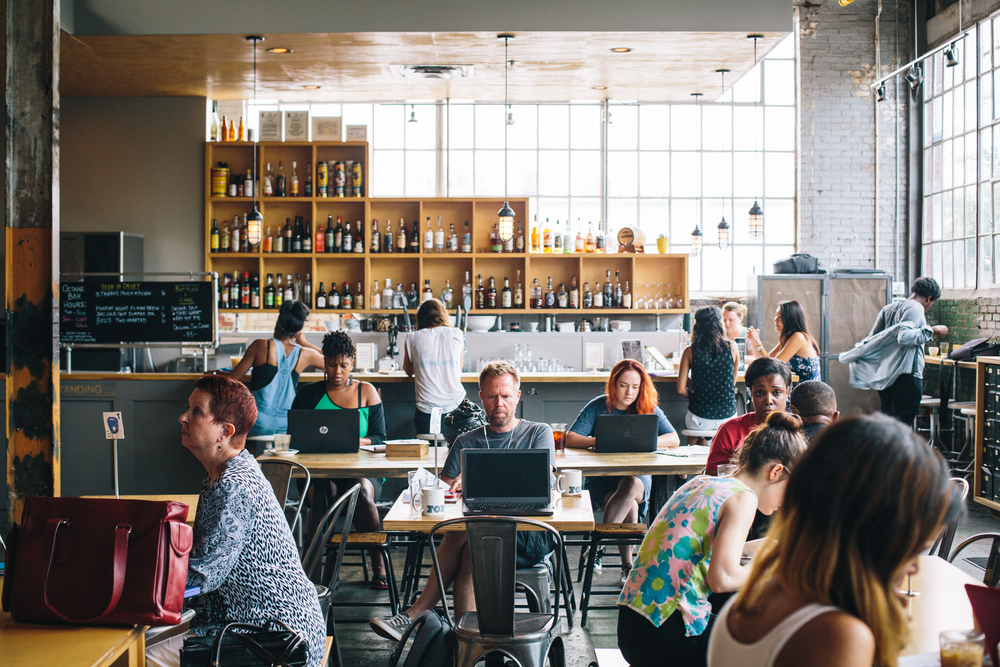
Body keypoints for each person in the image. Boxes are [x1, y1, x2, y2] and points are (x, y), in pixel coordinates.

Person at [707, 414, 960, 667]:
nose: (914, 566)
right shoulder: (839, 634)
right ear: (871, 530)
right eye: (908, 546)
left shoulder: (758, 597)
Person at [369, 361, 556, 642]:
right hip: (478, 535)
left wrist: (476, 479)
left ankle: (417, 613)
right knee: (469, 542)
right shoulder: (466, 440)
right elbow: (442, 497)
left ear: (518, 396)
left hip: (527, 533)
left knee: (467, 533)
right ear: (481, 397)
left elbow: (539, 483)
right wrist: (450, 490)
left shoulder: (537, 432)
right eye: (492, 396)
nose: (499, 403)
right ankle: (469, 643)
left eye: (505, 395)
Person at [146, 375, 325, 667]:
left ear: (225, 432)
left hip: (276, 637)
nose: (183, 417)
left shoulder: (234, 484)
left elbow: (204, 575)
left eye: (196, 412)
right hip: (252, 623)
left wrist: (136, 583)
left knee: (141, 656)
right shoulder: (224, 472)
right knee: (148, 641)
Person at [618, 411, 808, 667]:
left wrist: (766, 547)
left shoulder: (703, 483)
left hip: (634, 624)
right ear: (775, 471)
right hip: (666, 633)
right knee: (767, 640)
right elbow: (722, 579)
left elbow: (699, 551)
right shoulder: (744, 498)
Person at [566, 359, 680, 583]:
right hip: (604, 480)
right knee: (628, 506)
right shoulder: (599, 405)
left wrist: (646, 440)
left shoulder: (647, 407)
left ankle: (598, 547)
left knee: (629, 484)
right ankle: (627, 567)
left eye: (635, 387)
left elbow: (674, 438)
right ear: (613, 384)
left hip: (637, 478)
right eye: (624, 385)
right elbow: (570, 437)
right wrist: (598, 441)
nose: (630, 392)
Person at [291, 330, 389, 587]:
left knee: (362, 492)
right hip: (321, 472)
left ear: (352, 364)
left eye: (343, 365)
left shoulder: (366, 392)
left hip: (362, 471)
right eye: (332, 364)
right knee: (321, 492)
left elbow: (380, 437)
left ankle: (378, 562)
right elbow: (296, 435)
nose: (337, 371)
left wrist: (357, 441)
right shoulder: (309, 395)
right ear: (324, 363)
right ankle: (313, 570)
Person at [840, 277, 948, 427]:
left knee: (888, 429)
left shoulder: (888, 308)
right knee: (902, 430)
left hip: (886, 378)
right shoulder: (916, 308)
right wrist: (933, 330)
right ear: (929, 299)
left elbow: (872, 341)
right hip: (907, 377)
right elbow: (905, 338)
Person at [226, 300, 325, 436]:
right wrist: (304, 343)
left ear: (278, 325)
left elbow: (230, 380)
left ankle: (249, 456)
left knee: (241, 433)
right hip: (286, 425)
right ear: (297, 331)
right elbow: (333, 361)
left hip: (256, 421)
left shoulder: (260, 346)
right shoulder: (305, 354)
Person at [705, 357, 791, 475]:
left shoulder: (798, 431)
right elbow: (712, 478)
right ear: (751, 394)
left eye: (776, 392)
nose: (768, 401)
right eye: (760, 393)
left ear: (787, 392)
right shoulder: (730, 431)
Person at [402, 298, 465, 435]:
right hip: (455, 406)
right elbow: (458, 367)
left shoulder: (412, 337)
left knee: (430, 453)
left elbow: (408, 371)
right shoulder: (457, 334)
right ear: (443, 315)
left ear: (420, 318)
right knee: (455, 449)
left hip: (427, 410)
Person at [677, 307, 740, 445]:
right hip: (727, 417)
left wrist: (698, 395)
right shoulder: (733, 348)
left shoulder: (690, 351)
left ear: (697, 326)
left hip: (699, 419)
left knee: (695, 443)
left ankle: (696, 453)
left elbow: (680, 389)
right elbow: (732, 383)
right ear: (719, 324)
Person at [746, 300, 821, 382]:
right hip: (796, 390)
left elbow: (772, 366)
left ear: (791, 318)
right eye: (776, 315)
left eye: (780, 316)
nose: (775, 319)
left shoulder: (798, 337)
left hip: (807, 392)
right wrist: (753, 341)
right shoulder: (788, 338)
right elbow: (763, 362)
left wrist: (757, 341)